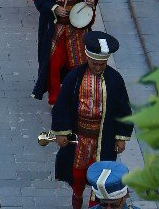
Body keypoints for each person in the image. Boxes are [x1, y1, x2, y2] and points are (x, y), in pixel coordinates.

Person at [51, 31, 133, 209]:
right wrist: (61, 132)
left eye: (102, 64)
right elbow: (62, 106)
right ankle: (77, 199)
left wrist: (121, 137)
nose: (98, 67)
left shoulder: (115, 80)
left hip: (103, 138)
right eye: (95, 64)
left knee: (100, 180)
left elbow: (123, 109)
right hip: (79, 138)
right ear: (87, 59)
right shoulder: (74, 77)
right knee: (78, 175)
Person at [31, 0, 93, 105]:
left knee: (78, 63)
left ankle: (76, 96)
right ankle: (55, 99)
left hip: (77, 29)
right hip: (55, 28)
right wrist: (54, 8)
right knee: (53, 64)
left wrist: (90, 1)